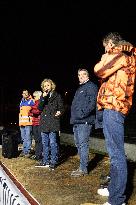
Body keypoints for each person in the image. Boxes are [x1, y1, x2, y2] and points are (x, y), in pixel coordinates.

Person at [94, 32, 136, 205]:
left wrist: (108, 53)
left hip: (115, 107)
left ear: (110, 43)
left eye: (105, 46)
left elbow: (99, 70)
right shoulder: (122, 55)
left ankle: (117, 199)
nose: (104, 49)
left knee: (117, 155)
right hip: (112, 107)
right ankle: (113, 188)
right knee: (114, 153)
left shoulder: (121, 55)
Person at [70, 68, 98, 177]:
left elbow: (93, 103)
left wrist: (82, 114)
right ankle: (81, 167)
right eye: (79, 75)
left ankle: (83, 169)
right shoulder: (80, 88)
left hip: (84, 121)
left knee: (83, 144)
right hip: (77, 121)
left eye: (83, 74)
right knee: (78, 144)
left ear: (88, 76)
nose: (81, 76)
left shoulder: (91, 86)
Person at [35, 78, 64, 169]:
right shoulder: (43, 96)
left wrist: (59, 112)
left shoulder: (57, 96)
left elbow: (62, 108)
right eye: (44, 86)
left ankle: (53, 161)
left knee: (53, 143)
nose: (46, 87)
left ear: (52, 86)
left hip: (53, 122)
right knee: (45, 143)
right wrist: (43, 97)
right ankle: (45, 160)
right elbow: (39, 108)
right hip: (44, 123)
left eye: (48, 85)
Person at [19, 89, 34, 157]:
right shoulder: (21, 101)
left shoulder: (31, 101)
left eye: (26, 93)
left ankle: (27, 151)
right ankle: (24, 150)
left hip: (28, 122)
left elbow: (34, 111)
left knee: (28, 137)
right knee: (23, 137)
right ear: (22, 94)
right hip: (22, 123)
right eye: (23, 93)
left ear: (28, 94)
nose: (24, 94)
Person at [28, 91, 43, 160]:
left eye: (35, 96)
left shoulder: (41, 102)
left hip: (39, 123)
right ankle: (37, 154)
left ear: (39, 96)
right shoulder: (35, 103)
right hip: (34, 123)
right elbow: (29, 112)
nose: (34, 98)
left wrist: (32, 110)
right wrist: (32, 111)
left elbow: (38, 111)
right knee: (36, 140)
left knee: (39, 139)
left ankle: (40, 155)